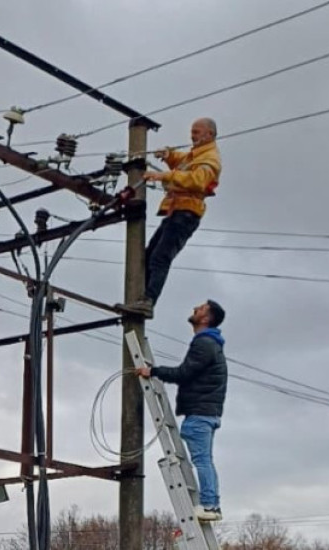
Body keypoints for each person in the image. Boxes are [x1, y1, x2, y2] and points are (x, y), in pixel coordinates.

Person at [136, 300, 227, 522]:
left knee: (203, 461)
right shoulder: (210, 343)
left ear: (206, 318)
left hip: (200, 412)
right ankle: (211, 505)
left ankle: (209, 505)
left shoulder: (204, 343)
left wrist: (153, 371)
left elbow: (184, 372)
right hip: (207, 412)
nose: (195, 308)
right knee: (205, 460)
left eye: (202, 308)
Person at [121, 117, 222, 317]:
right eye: (192, 131)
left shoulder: (211, 158)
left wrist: (163, 176)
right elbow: (183, 162)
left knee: (160, 257)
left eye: (197, 132)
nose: (192, 136)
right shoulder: (197, 155)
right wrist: (168, 155)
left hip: (187, 213)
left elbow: (196, 180)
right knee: (149, 255)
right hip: (177, 211)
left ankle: (148, 301)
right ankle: (140, 298)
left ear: (209, 134)